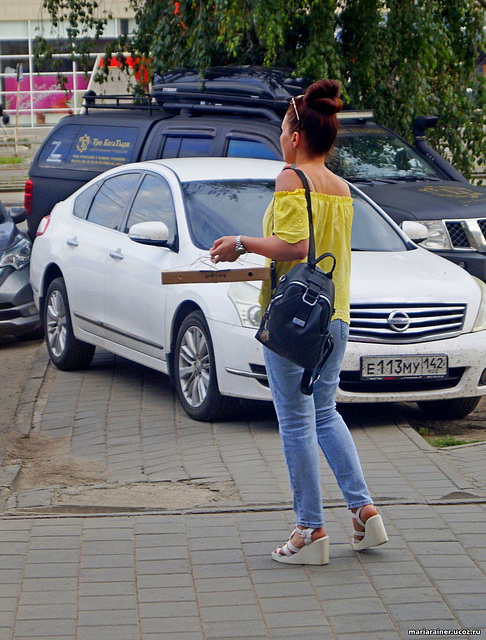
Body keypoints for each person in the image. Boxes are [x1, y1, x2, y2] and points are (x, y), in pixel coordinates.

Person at [209, 79, 388, 565]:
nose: (281, 137)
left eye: (283, 129)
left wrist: (240, 243)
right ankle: (364, 510)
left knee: (296, 423)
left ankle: (310, 530)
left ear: (296, 136)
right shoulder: (341, 188)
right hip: (336, 317)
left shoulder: (293, 178)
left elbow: (296, 247)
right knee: (325, 412)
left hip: (295, 322)